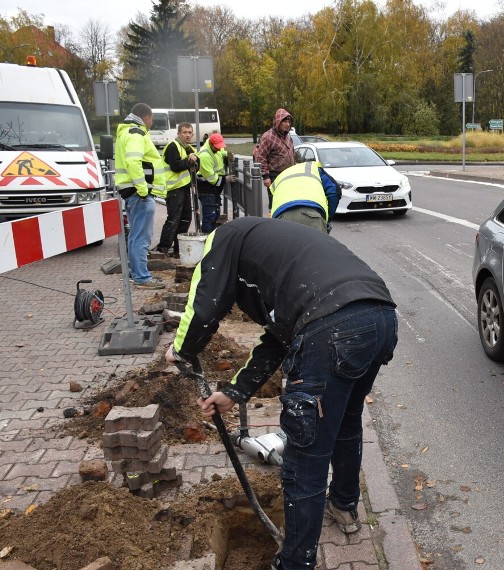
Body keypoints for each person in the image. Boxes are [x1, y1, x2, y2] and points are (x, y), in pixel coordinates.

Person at [165, 216, 397, 570]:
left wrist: (181, 350)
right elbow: (278, 339)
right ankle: (344, 505)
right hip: (380, 319)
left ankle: (295, 563)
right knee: (346, 421)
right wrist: (234, 393)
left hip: (332, 327)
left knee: (307, 454)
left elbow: (204, 304)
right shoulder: (280, 250)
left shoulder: (224, 238)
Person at [114, 102, 166, 289]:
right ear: (147, 117)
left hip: (131, 192)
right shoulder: (136, 133)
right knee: (142, 238)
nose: (151, 123)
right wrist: (143, 189)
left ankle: (136, 274)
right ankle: (142, 277)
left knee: (135, 237)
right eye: (151, 119)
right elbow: (133, 161)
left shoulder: (126, 132)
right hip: (139, 194)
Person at [154, 122, 197, 256]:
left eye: (190, 132)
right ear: (178, 133)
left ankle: (179, 248)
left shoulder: (189, 148)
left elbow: (197, 165)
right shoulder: (173, 146)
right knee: (174, 219)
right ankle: (163, 247)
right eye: (185, 132)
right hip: (174, 189)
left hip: (184, 188)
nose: (188, 135)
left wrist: (194, 160)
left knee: (186, 218)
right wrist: (189, 161)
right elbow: (175, 166)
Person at [269, 161, 341, 233]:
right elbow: (334, 191)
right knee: (315, 243)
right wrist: (327, 219)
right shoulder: (313, 169)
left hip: (281, 217)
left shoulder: (280, 177)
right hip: (311, 215)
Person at [255, 108, 296, 210]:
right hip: (274, 175)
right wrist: (266, 176)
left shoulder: (288, 136)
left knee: (287, 203)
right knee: (275, 203)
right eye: (285, 121)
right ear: (278, 122)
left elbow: (292, 154)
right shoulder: (268, 137)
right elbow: (261, 157)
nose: (288, 124)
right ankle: (273, 223)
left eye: (289, 122)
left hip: (288, 175)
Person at [196, 133, 234, 233]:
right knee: (210, 216)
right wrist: (226, 179)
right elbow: (212, 179)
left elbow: (222, 153)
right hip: (206, 188)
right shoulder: (204, 156)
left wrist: (228, 156)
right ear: (210, 144)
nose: (219, 149)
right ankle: (206, 237)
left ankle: (211, 236)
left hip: (213, 189)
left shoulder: (216, 148)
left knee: (215, 214)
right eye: (216, 147)